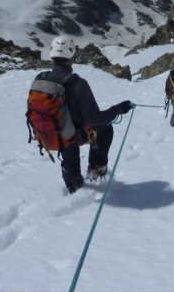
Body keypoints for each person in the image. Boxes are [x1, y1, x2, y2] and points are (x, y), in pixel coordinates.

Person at [36, 35, 132, 194]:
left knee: (69, 148)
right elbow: (95, 119)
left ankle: (74, 188)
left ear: (52, 54)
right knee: (105, 129)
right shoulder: (78, 84)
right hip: (70, 137)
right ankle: (95, 174)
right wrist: (119, 109)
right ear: (72, 56)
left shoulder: (41, 79)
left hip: (45, 134)